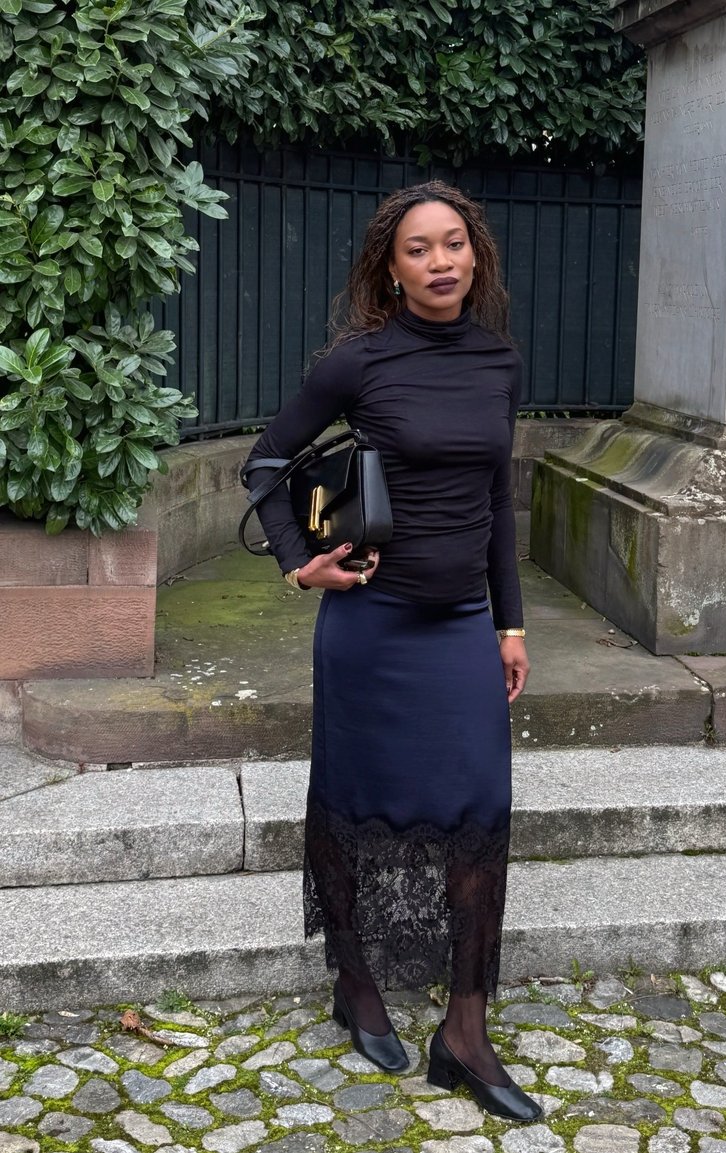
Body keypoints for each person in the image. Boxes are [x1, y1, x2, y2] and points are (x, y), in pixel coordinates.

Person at [244, 180, 541, 1122]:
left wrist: (510, 621)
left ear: (476, 255)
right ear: (390, 268)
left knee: (481, 809)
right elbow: (264, 461)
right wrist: (301, 565)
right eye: (419, 249)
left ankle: (465, 1029)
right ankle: (357, 982)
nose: (442, 261)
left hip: (458, 625)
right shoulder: (357, 363)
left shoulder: (499, 361)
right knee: (352, 799)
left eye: (455, 243)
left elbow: (498, 499)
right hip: (370, 627)